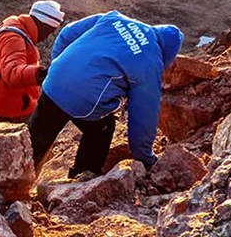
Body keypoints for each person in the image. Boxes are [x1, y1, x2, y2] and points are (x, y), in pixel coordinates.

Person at [29, 10, 183, 178]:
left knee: (36, 140)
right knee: (101, 129)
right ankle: (82, 179)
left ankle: (17, 181)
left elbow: (68, 33)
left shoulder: (114, 18)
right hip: (86, 101)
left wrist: (58, 68)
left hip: (53, 82)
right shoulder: (151, 61)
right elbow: (144, 115)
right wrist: (144, 157)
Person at [0, 0, 65, 125]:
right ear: (42, 25)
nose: (46, 37)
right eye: (48, 31)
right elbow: (12, 72)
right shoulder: (14, 38)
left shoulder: (10, 24)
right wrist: (39, 74)